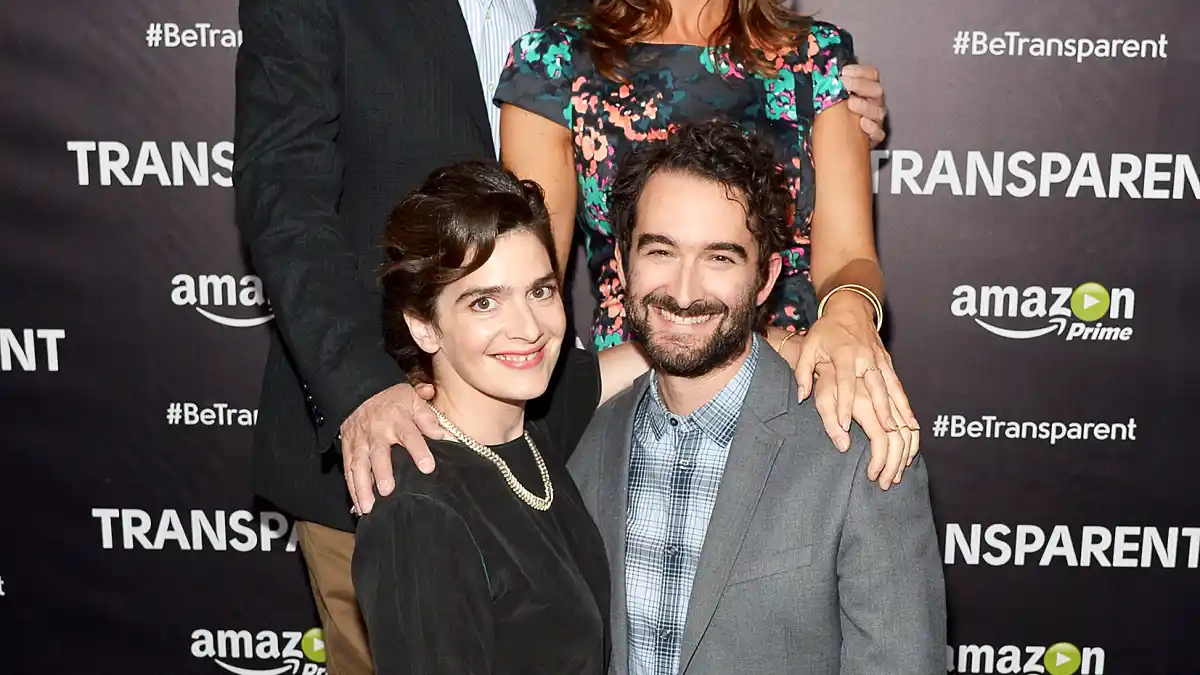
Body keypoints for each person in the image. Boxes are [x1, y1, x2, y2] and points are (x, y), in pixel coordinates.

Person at [232, 0, 889, 671]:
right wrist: (366, 388)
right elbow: (286, 197)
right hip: (427, 429)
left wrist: (806, 324)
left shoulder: (610, 19)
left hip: (712, 416)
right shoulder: (565, 52)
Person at [354, 159, 899, 674]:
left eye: (541, 291)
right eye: (483, 302)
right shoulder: (419, 510)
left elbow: (678, 334)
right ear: (423, 326)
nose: (526, 327)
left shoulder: (542, 424)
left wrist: (823, 345)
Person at [567, 120, 945, 675]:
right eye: (661, 252)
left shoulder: (857, 446)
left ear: (765, 280)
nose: (684, 291)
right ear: (623, 265)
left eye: (719, 258)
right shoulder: (582, 441)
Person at [495, 0, 920, 476]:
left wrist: (850, 315)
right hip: (635, 382)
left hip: (794, 388)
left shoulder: (815, 57)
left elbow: (847, 256)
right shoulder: (554, 61)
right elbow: (530, 275)